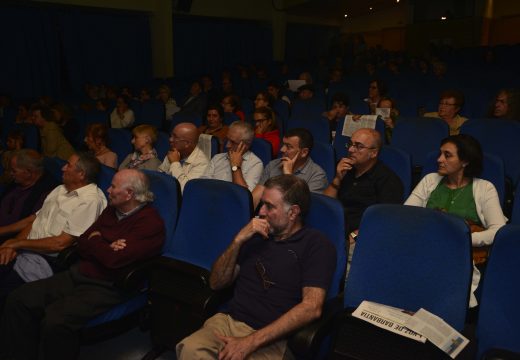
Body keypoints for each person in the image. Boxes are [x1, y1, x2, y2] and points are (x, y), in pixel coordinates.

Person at [0, 169, 165, 359]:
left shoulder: (150, 224)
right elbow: (83, 241)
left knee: (56, 320)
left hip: (109, 286)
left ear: (129, 194)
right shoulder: (112, 210)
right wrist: (105, 244)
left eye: (113, 187)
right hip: (81, 272)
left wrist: (98, 239)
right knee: (19, 299)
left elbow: (113, 260)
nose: (108, 190)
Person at [176, 175, 336, 360]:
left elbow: (312, 307)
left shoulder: (316, 245)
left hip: (273, 336)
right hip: (229, 322)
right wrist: (238, 241)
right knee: (190, 349)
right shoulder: (256, 234)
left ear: (293, 212)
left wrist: (250, 342)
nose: (261, 211)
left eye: (269, 206)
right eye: (261, 204)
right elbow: (216, 283)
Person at [404, 134, 506, 307]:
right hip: (425, 245)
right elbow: (405, 216)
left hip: (461, 252)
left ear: (465, 161)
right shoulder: (430, 180)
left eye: (447, 155)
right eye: (440, 154)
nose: (439, 159)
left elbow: (499, 231)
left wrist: (462, 239)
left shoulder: (484, 188)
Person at [0, 152, 107, 305]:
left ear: (81, 174)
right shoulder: (60, 189)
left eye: (68, 165)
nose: (63, 168)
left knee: (7, 293)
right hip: (25, 248)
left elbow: (61, 243)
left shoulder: (90, 201)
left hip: (46, 259)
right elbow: (36, 220)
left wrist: (16, 244)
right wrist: (12, 245)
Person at [323, 129, 403, 273]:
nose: (351, 150)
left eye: (359, 146)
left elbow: (385, 220)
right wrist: (337, 179)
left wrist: (354, 235)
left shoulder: (388, 180)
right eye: (351, 144)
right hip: (336, 229)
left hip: (362, 237)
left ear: (373, 153)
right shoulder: (346, 170)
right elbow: (326, 205)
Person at [252, 128, 328, 209]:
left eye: (289, 147)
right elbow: (256, 197)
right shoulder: (273, 165)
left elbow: (303, 209)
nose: (282, 149)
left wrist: (288, 176)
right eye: (283, 144)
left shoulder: (317, 175)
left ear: (304, 152)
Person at [0, 150, 57, 244]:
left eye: (14, 171)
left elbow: (31, 222)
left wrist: (2, 231)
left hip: (11, 239)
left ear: (29, 172)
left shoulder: (47, 192)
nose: (11, 173)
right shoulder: (16, 183)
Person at [201, 121, 263, 191]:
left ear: (246, 145)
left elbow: (243, 196)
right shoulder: (217, 158)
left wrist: (236, 167)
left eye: (233, 142)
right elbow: (202, 184)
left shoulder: (255, 164)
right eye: (227, 140)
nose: (227, 145)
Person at [158, 122, 209, 192]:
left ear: (187, 144)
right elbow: (160, 175)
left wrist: (175, 163)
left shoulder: (202, 163)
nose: (170, 139)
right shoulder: (174, 152)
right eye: (171, 135)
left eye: (175, 137)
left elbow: (185, 190)